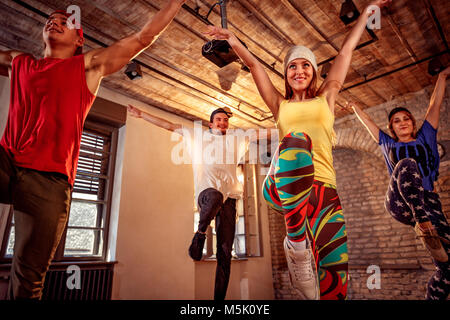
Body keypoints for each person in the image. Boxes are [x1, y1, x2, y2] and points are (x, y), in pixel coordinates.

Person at [204, 0, 392, 300]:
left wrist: (368, 11)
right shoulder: (280, 105)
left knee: (335, 280)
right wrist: (232, 41)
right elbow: (254, 66)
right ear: (286, 74)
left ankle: (310, 262)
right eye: (293, 66)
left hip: (325, 193)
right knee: (295, 140)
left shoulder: (327, 97)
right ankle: (297, 245)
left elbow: (345, 52)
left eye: (306, 65)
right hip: (284, 186)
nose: (299, 70)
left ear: (315, 72)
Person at [0, 0, 186, 299]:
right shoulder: (19, 62)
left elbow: (142, 38)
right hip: (7, 163)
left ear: (79, 39)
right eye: (51, 19)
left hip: (48, 181)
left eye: (65, 21)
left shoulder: (88, 66)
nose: (55, 22)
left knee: (26, 282)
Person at [344, 66, 450, 300]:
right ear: (391, 128)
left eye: (406, 119)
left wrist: (441, 77)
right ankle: (422, 224)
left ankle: (434, 296)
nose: (402, 122)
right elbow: (370, 124)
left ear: (413, 123)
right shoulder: (389, 145)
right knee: (406, 164)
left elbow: (434, 106)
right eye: (396, 121)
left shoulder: (426, 137)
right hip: (401, 204)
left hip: (430, 204)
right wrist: (354, 107)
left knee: (448, 267)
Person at [127, 104, 253, 300]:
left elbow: (261, 135)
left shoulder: (236, 141)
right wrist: (142, 114)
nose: (222, 122)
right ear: (211, 123)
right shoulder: (198, 136)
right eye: (218, 119)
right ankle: (200, 234)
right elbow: (169, 125)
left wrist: (286, 126)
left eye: (225, 120)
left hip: (230, 199)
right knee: (215, 196)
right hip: (207, 195)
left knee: (225, 252)